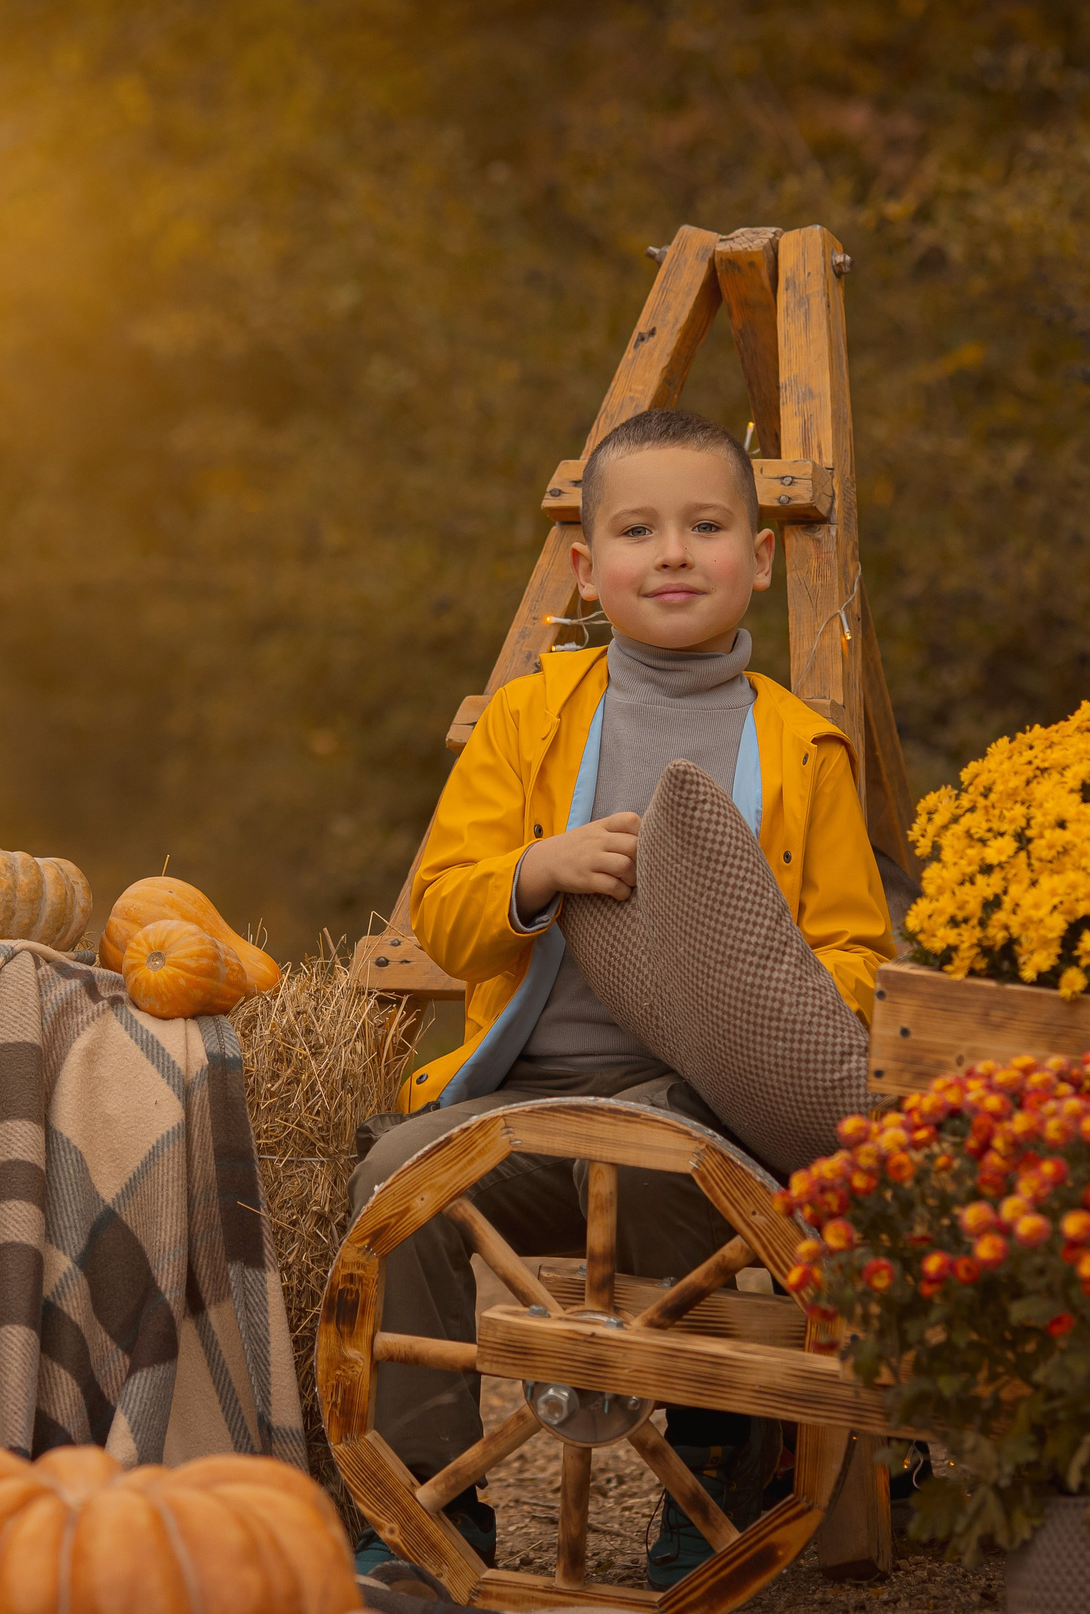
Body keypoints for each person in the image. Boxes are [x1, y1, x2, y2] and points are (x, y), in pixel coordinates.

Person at [349, 406, 896, 1590]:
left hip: (701, 1103)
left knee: (671, 1174)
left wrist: (752, 974)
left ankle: (708, 1501)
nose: (674, 554)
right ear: (593, 571)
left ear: (755, 558)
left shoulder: (800, 750)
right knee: (394, 1181)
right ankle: (431, 1509)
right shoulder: (532, 716)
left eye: (706, 526)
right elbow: (441, 907)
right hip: (528, 1096)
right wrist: (535, 874)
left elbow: (856, 958)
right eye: (639, 531)